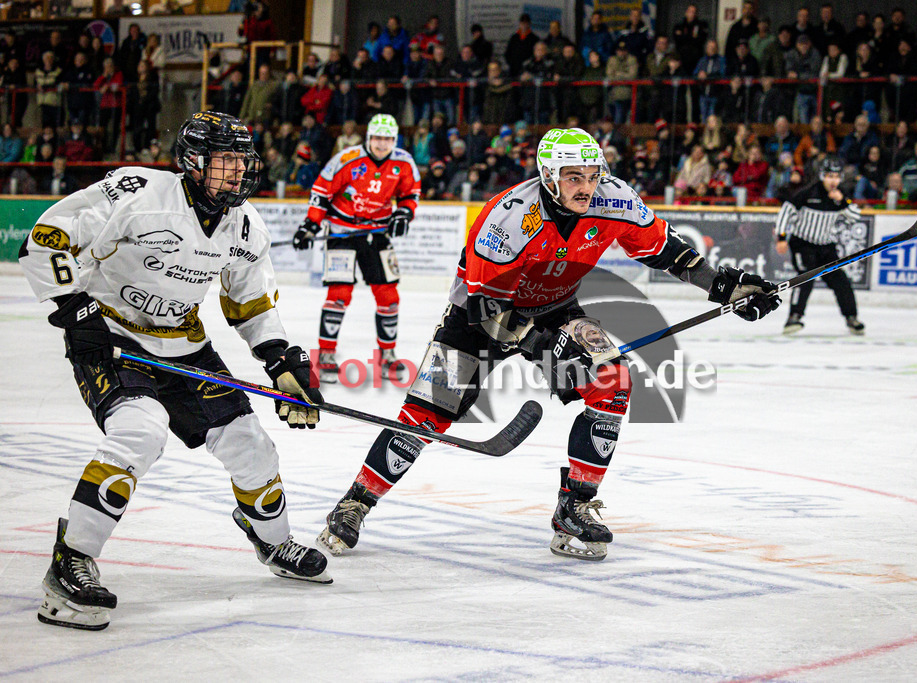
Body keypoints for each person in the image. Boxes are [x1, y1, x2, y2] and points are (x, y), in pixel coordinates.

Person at [316, 128, 780, 562]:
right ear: (548, 176)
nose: (586, 186)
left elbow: (665, 249)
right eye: (573, 176)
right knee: (427, 414)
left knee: (613, 383)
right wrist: (539, 342)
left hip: (555, 306)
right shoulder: (509, 218)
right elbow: (483, 307)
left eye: (592, 175)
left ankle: (573, 508)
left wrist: (724, 285)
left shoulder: (614, 200)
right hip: (479, 316)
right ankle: (356, 502)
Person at [20, 111, 332, 631]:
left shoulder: (244, 223)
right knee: (139, 432)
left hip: (184, 346)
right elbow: (49, 235)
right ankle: (69, 562)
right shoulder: (138, 191)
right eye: (225, 162)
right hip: (113, 335)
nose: (237, 173)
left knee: (250, 444)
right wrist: (73, 307)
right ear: (193, 161)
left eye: (242, 161)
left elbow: (250, 300)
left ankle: (274, 544)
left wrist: (280, 360)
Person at [292, 114, 421, 383]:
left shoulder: (403, 163)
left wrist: (404, 214)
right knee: (339, 293)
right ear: (368, 138)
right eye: (377, 138)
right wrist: (311, 224)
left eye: (387, 139)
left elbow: (411, 194)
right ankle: (326, 354)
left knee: (388, 295)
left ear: (394, 140)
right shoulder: (347, 159)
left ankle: (387, 357)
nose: (382, 144)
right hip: (342, 231)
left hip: (377, 233)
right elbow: (321, 191)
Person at [775, 156, 864, 336]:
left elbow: (855, 216)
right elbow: (787, 210)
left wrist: (843, 201)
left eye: (836, 177)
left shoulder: (840, 195)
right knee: (806, 277)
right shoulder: (808, 192)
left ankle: (851, 318)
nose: (833, 181)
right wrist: (782, 237)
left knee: (841, 281)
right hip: (802, 244)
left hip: (826, 246)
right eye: (830, 176)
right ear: (823, 176)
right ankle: (794, 316)